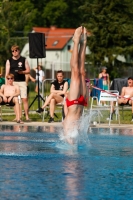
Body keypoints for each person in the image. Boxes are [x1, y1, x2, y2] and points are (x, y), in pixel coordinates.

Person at [62, 26, 87, 144]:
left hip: (73, 102)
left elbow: (70, 145)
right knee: (82, 72)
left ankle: (76, 42)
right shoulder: (75, 134)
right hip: (82, 103)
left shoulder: (67, 131)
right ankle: (84, 43)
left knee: (75, 73)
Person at [5, 45, 31, 122]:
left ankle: (27, 116)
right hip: (13, 82)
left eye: (16, 50)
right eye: (13, 51)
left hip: (22, 82)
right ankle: (17, 117)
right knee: (15, 99)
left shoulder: (24, 60)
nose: (14, 52)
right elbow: (7, 73)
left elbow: (28, 70)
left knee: (24, 99)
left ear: (19, 51)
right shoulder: (9, 61)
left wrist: (22, 72)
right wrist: (7, 85)